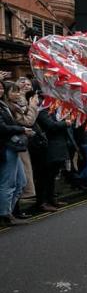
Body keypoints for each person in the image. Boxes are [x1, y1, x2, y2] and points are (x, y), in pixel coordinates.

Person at [0, 82, 31, 227]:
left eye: (1, 87)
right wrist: (22, 129)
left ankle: (7, 212)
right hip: (6, 148)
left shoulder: (4, 106)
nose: (0, 90)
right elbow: (2, 128)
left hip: (13, 148)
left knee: (21, 182)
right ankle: (5, 215)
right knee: (9, 183)